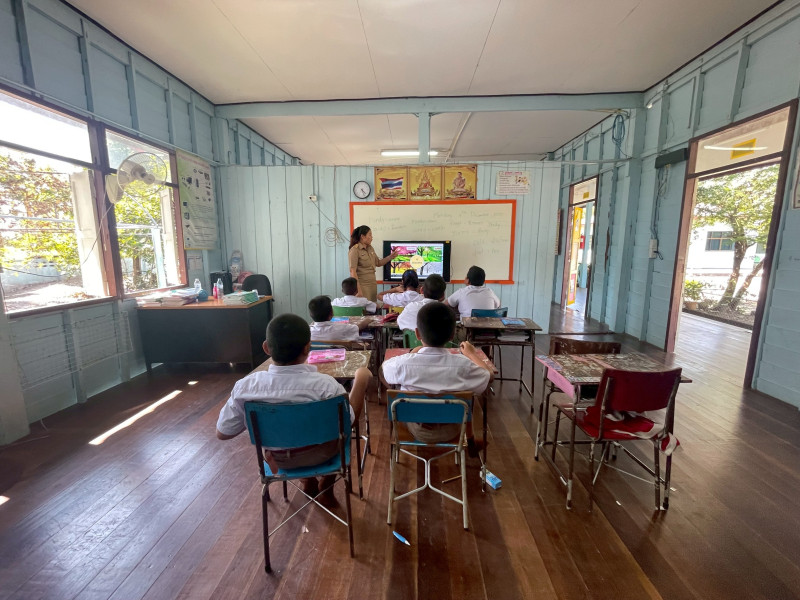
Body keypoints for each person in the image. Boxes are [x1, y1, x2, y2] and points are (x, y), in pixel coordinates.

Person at [216, 313, 371, 505]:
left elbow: (223, 432)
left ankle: (306, 480)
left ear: (266, 348)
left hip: (279, 460)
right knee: (340, 428)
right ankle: (326, 483)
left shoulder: (246, 388)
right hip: (325, 455)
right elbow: (351, 422)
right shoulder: (327, 386)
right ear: (308, 347)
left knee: (291, 434)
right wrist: (360, 380)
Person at [381, 301, 492, 448]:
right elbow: (489, 376)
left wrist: (413, 352)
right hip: (454, 428)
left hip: (416, 428)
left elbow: (383, 370)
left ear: (417, 333)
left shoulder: (402, 364)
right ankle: (470, 439)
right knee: (467, 392)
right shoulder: (464, 365)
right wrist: (472, 354)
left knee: (398, 385)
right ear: (452, 335)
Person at [348, 225, 399, 302]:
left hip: (372, 284)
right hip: (362, 285)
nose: (372, 237)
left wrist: (390, 257)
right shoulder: (354, 250)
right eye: (370, 235)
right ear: (362, 236)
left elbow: (378, 263)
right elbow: (353, 272)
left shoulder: (370, 248)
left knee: (372, 306)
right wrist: (358, 290)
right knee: (364, 307)